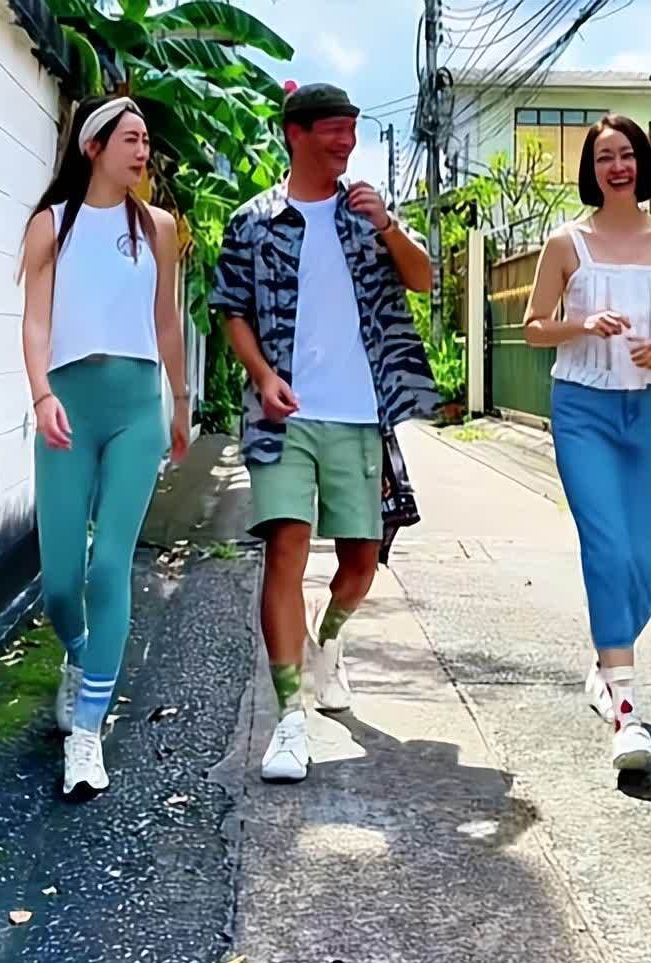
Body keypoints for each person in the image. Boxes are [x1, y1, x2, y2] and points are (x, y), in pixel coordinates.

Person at [213, 83, 438, 782]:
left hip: (360, 414)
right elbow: (232, 309)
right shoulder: (253, 222)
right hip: (283, 415)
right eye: (334, 130)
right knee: (285, 547)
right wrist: (260, 376)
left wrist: (389, 226)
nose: (346, 143)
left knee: (361, 564)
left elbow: (424, 280)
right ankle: (288, 720)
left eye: (352, 130)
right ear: (297, 134)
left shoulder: (368, 216)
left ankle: (329, 640)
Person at [524, 114, 651, 772]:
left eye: (626, 154)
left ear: (642, 163)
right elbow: (534, 326)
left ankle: (606, 660)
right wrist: (581, 324)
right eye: (604, 157)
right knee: (605, 545)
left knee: (643, 560)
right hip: (583, 410)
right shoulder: (566, 242)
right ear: (592, 170)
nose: (617, 166)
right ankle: (626, 711)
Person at [20, 96, 190, 796]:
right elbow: (35, 322)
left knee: (110, 564)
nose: (143, 151)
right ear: (93, 147)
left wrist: (181, 402)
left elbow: (167, 322)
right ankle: (82, 656)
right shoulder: (51, 225)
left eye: (146, 140)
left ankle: (87, 734)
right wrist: (42, 395)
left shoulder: (157, 228)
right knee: (62, 581)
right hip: (68, 404)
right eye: (130, 139)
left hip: (135, 410)